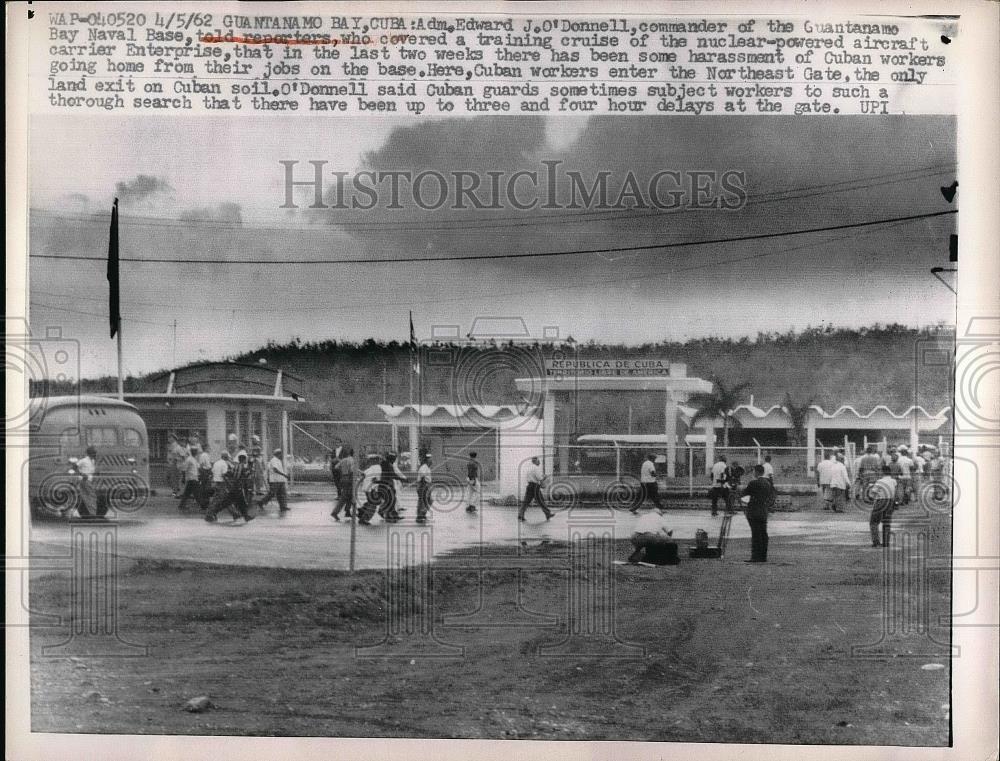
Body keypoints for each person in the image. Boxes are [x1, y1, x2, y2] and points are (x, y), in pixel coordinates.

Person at [205, 453, 255, 523]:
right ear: (243, 459)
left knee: (234, 502)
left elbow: (227, 474)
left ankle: (245, 516)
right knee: (231, 502)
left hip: (234, 487)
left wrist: (230, 481)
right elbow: (245, 476)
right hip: (237, 488)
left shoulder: (235, 466)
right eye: (245, 459)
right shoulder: (242, 467)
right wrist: (250, 469)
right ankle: (212, 513)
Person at [741, 464, 774, 562]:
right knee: (763, 534)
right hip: (763, 511)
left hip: (753, 511)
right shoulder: (768, 483)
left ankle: (755, 556)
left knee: (755, 534)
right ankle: (763, 556)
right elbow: (771, 497)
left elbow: (744, 494)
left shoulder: (753, 483)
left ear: (756, 472)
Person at [71, 445, 104, 518]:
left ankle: (89, 513)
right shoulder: (84, 460)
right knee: (92, 496)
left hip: (88, 480)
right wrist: (82, 474)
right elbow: (74, 467)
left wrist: (95, 474)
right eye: (94, 453)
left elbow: (90, 470)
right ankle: (93, 514)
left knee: (86, 497)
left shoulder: (92, 461)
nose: (95, 455)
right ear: (89, 454)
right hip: (85, 480)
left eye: (95, 453)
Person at [869, 465, 897, 547]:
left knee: (873, 522)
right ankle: (886, 542)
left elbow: (873, 493)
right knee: (887, 522)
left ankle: (876, 541)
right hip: (890, 501)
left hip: (881, 501)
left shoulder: (879, 481)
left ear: (883, 472)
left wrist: (871, 496)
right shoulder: (893, 481)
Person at [519, 456, 553, 521]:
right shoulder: (536, 468)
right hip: (535, 487)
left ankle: (520, 514)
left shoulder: (529, 468)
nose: (539, 462)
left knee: (526, 502)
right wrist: (545, 477)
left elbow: (532, 477)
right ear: (536, 461)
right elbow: (539, 478)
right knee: (541, 501)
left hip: (529, 486)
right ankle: (548, 514)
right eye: (538, 461)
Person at [376, 453, 408, 522]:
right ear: (391, 459)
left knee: (391, 500)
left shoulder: (384, 464)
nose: (394, 461)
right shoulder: (389, 465)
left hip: (385, 484)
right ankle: (388, 515)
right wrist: (402, 479)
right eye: (394, 459)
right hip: (387, 485)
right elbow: (393, 475)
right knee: (391, 500)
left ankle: (392, 515)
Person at [259, 448, 290, 515]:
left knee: (282, 494)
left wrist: (283, 476)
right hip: (275, 480)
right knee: (272, 493)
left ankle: (283, 506)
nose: (281, 455)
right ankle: (261, 503)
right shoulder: (274, 460)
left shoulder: (278, 460)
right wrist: (284, 475)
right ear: (278, 454)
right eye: (280, 453)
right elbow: (275, 470)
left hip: (280, 480)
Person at [331, 448, 358, 521]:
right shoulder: (352, 461)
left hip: (343, 478)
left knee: (350, 495)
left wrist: (343, 471)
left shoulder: (344, 460)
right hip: (349, 479)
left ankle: (347, 511)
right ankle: (335, 512)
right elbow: (352, 470)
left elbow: (336, 467)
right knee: (345, 497)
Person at [178, 446, 206, 512]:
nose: (195, 452)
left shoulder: (194, 459)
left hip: (194, 478)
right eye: (194, 451)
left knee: (186, 493)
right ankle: (203, 506)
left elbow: (197, 468)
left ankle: (181, 505)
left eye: (196, 451)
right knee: (197, 493)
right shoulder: (189, 459)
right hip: (191, 479)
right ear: (191, 451)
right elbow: (184, 469)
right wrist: (184, 478)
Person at [357, 455, 383, 525]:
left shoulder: (369, 469)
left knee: (370, 502)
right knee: (373, 505)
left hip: (366, 489)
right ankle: (364, 519)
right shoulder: (379, 468)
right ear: (377, 460)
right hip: (373, 489)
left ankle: (361, 511)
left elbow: (362, 476)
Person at [166, 433, 188, 498]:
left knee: (174, 478)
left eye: (170, 437)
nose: (169, 439)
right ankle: (175, 490)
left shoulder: (177, 447)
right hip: (170, 463)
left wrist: (176, 459)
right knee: (169, 477)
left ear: (174, 438)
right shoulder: (170, 446)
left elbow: (183, 456)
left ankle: (175, 491)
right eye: (168, 437)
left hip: (175, 464)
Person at [416, 453, 433, 523]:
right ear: (427, 460)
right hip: (423, 485)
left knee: (429, 500)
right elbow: (422, 477)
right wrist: (424, 487)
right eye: (430, 459)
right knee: (423, 501)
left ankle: (422, 514)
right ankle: (419, 516)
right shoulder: (424, 467)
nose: (432, 461)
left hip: (427, 485)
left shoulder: (427, 467)